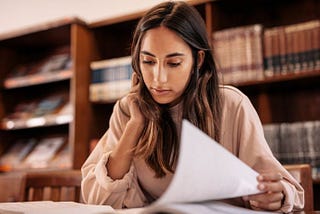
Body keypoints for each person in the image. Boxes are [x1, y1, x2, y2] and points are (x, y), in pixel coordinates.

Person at [81, 1, 304, 212]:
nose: (158, 79)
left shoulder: (232, 105)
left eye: (174, 63)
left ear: (198, 60)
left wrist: (277, 196)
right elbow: (98, 198)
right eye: (148, 61)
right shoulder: (128, 110)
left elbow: (285, 190)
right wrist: (135, 125)